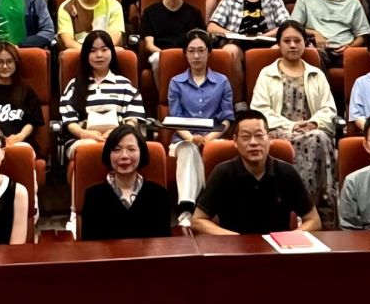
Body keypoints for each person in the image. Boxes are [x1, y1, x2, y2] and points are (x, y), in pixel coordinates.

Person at [249, 22, 338, 215]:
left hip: (313, 130)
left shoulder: (316, 74)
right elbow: (259, 110)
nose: (292, 45)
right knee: (318, 139)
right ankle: (309, 206)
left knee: (319, 137)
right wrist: (292, 126)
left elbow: (329, 109)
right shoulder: (267, 74)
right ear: (279, 44)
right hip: (279, 131)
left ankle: (312, 206)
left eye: (297, 41)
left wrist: (314, 123)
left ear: (305, 43)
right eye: (287, 41)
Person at [190, 110, 316, 236]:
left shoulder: (287, 172)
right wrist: (234, 238)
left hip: (278, 246)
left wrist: (291, 238)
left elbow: (313, 220)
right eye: (246, 137)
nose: (253, 142)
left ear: (269, 138)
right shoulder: (222, 173)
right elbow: (198, 221)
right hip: (235, 246)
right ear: (235, 141)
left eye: (259, 135)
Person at [162, 31, 232, 217]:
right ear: (185, 53)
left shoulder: (222, 81)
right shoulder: (176, 82)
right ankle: (187, 207)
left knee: (209, 150)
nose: (196, 56)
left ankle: (199, 210)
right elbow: (175, 119)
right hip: (183, 139)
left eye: (201, 50)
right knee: (189, 149)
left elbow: (227, 119)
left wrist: (208, 139)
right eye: (191, 51)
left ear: (209, 52)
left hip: (214, 139)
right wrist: (193, 139)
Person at [77, 122, 175, 240]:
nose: (124, 156)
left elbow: (164, 245)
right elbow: (89, 246)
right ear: (108, 154)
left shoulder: (159, 195)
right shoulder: (93, 196)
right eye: (117, 149)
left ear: (141, 153)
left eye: (131, 149)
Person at [59, 29, 144, 158]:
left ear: (112, 52)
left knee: (120, 148)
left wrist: (116, 134)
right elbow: (69, 121)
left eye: (104, 50)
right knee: (90, 147)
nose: (99, 55)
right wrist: (86, 134)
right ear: (86, 55)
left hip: (120, 138)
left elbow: (133, 120)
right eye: (93, 51)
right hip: (82, 139)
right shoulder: (74, 85)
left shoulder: (125, 84)